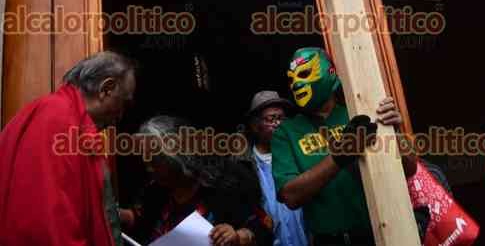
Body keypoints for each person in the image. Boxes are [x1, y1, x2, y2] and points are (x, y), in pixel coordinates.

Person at [271, 47, 417, 246]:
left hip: (379, 234)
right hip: (329, 241)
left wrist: (394, 131)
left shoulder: (360, 111)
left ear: (330, 72)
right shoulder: (286, 132)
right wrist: (340, 156)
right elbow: (290, 196)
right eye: (291, 79)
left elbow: (409, 168)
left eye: (304, 74)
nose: (297, 83)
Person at [0, 51, 137, 246]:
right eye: (123, 103)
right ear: (106, 89)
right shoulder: (57, 117)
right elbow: (51, 225)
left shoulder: (66, 118)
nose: (120, 115)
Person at [119, 116, 273, 246]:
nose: (149, 169)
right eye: (145, 161)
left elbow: (265, 224)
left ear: (177, 157)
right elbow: (142, 218)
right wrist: (119, 215)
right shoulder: (155, 189)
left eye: (155, 161)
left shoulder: (225, 186)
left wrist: (238, 236)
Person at [245, 90, 308, 246]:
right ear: (255, 125)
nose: (278, 124)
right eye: (271, 119)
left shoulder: (299, 156)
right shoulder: (244, 166)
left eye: (282, 118)